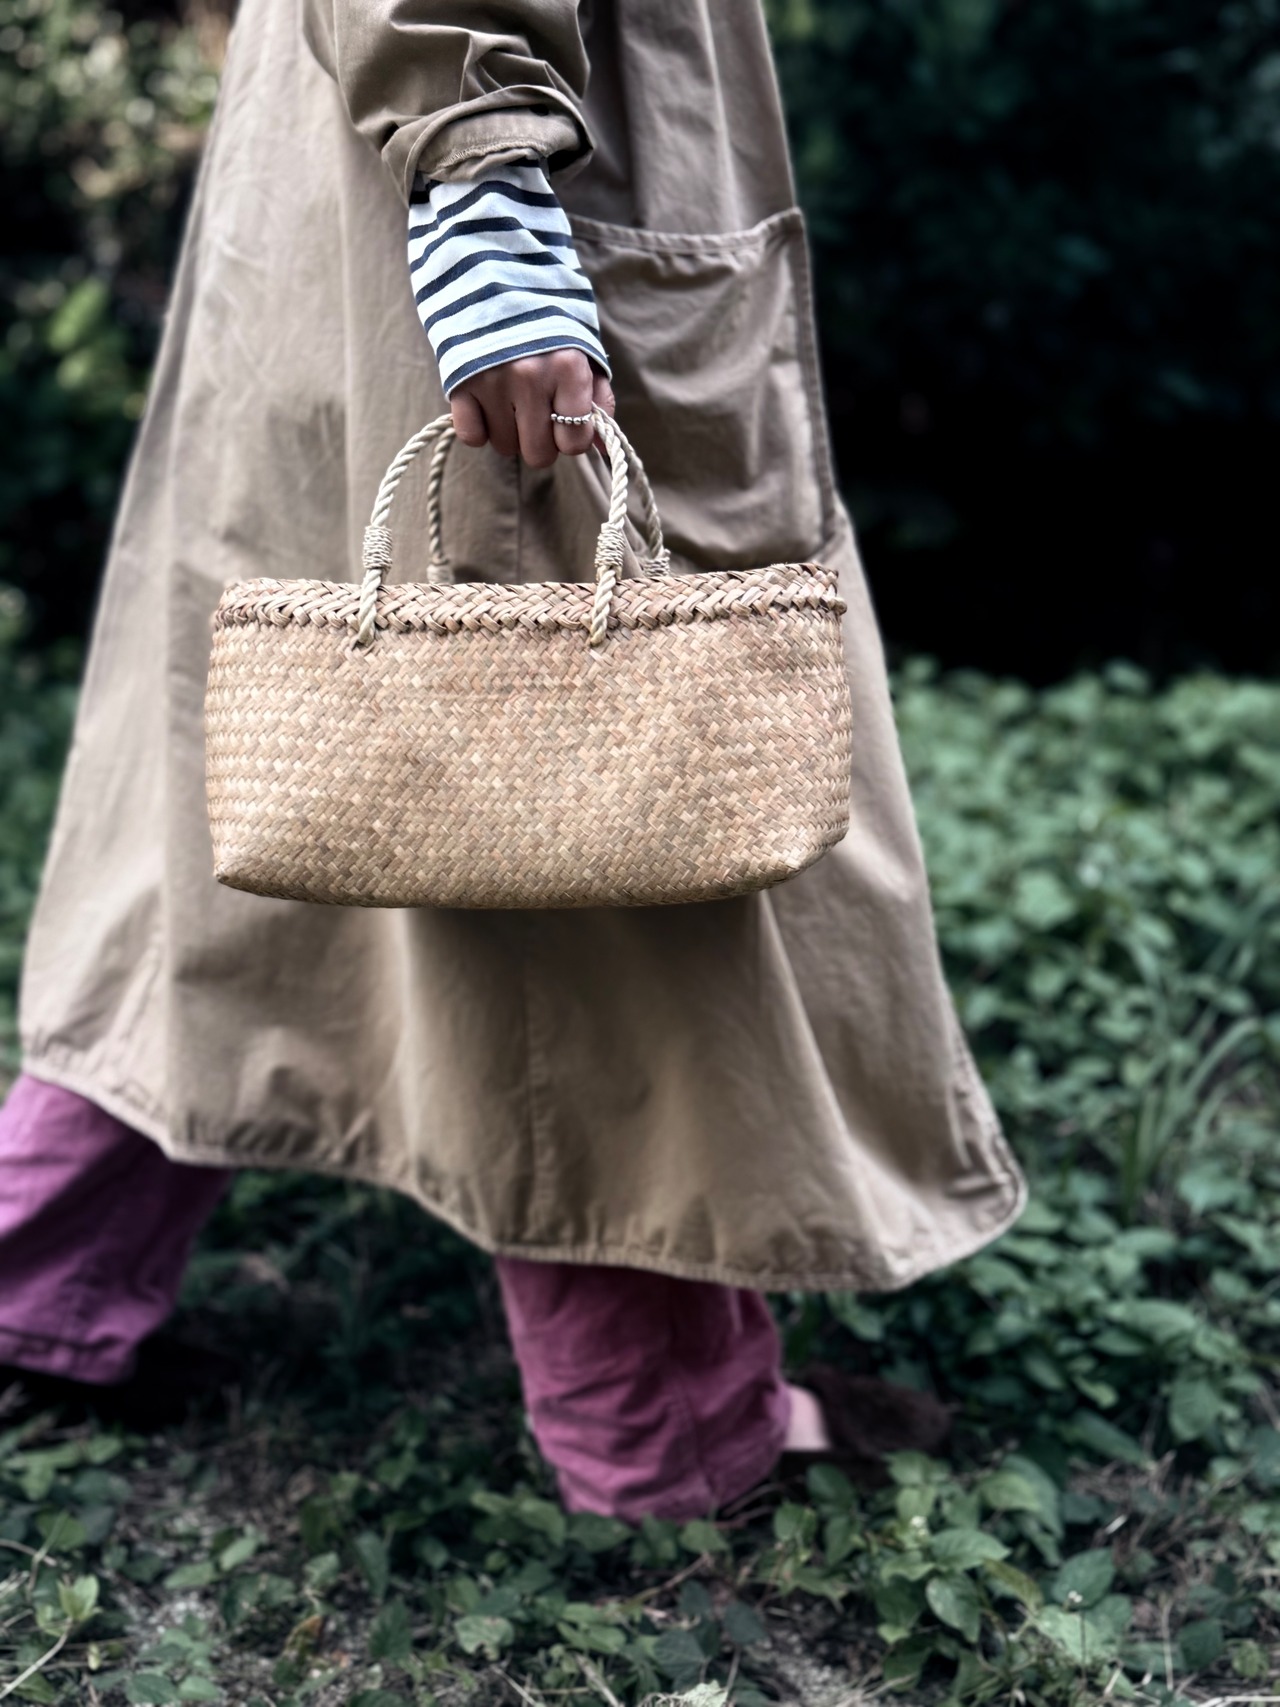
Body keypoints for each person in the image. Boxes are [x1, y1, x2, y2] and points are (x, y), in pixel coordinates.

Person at [0, 0, 1026, 1522]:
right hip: (503, 190)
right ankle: (666, 1431)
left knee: (246, 802)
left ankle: (35, 1281)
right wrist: (483, 198)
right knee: (587, 844)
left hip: (343, 189)